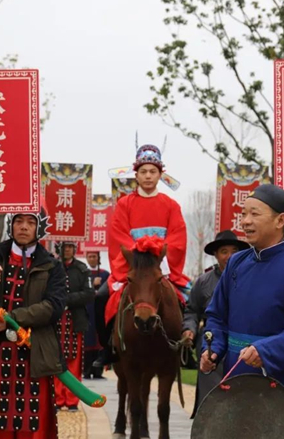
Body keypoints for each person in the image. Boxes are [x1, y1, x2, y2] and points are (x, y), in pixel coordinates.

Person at [200, 184, 284, 435]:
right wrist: (212, 349)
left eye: (254, 214)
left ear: (280, 220)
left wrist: (266, 350)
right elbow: (216, 315)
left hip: (280, 378)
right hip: (235, 374)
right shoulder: (237, 262)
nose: (245, 222)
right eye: (243, 214)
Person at [0, 210, 67, 438]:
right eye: (19, 221)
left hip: (33, 352)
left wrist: (11, 318)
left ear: (39, 228)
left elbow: (54, 307)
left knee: (32, 427)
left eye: (30, 222)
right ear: (11, 225)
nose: (24, 227)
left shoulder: (52, 266)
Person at [95, 144, 190, 367]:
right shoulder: (124, 204)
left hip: (161, 267)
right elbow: (119, 237)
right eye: (143, 171)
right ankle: (108, 347)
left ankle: (186, 347)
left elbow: (177, 239)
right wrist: (141, 253)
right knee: (100, 298)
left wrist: (156, 252)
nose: (148, 176)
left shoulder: (171, 206)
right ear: (135, 174)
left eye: (153, 171)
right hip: (133, 268)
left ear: (160, 174)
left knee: (189, 299)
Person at [183, 229, 249, 417]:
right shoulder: (203, 282)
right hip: (210, 345)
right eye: (224, 251)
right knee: (211, 399)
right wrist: (189, 329)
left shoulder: (250, 278)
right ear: (216, 255)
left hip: (242, 345)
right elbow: (191, 311)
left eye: (234, 251)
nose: (229, 256)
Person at [54, 242, 94, 411]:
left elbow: (89, 293)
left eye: (70, 246)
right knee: (55, 359)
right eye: (64, 246)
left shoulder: (82, 269)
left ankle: (71, 399)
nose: (67, 249)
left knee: (74, 361)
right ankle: (56, 398)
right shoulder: (52, 267)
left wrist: (67, 300)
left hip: (75, 320)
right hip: (55, 320)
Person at [84, 251, 109, 379]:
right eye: (90, 256)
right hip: (88, 310)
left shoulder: (105, 274)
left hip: (100, 310)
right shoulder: (83, 273)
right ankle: (87, 370)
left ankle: (98, 371)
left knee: (99, 339)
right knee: (87, 340)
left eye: (94, 256)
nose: (92, 258)